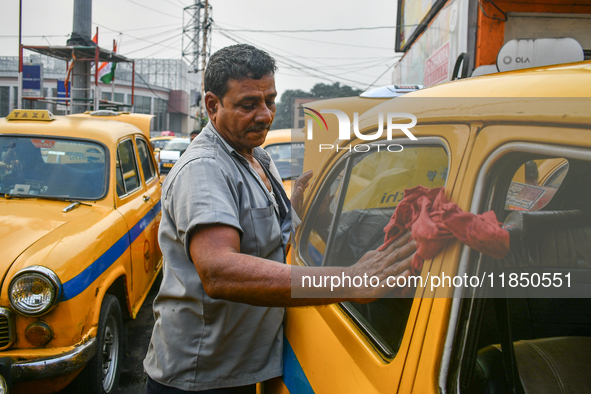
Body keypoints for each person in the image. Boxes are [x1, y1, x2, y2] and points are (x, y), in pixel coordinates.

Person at [143, 44, 416, 394]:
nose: (265, 115)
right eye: (248, 104)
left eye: (270, 100)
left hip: (241, 367)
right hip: (201, 376)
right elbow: (218, 269)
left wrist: (297, 207)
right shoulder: (205, 169)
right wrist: (349, 281)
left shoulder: (259, 159)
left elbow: (270, 242)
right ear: (212, 105)